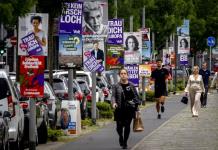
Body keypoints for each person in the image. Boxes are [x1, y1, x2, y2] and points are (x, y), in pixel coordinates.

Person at [112, 68, 141, 149]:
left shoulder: (131, 85)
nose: (123, 75)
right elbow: (113, 96)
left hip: (130, 109)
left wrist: (137, 106)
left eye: (125, 73)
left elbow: (137, 97)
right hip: (119, 109)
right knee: (119, 127)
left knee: (127, 126)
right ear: (119, 75)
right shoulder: (116, 86)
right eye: (122, 73)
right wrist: (114, 103)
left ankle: (125, 142)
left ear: (127, 75)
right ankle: (121, 137)